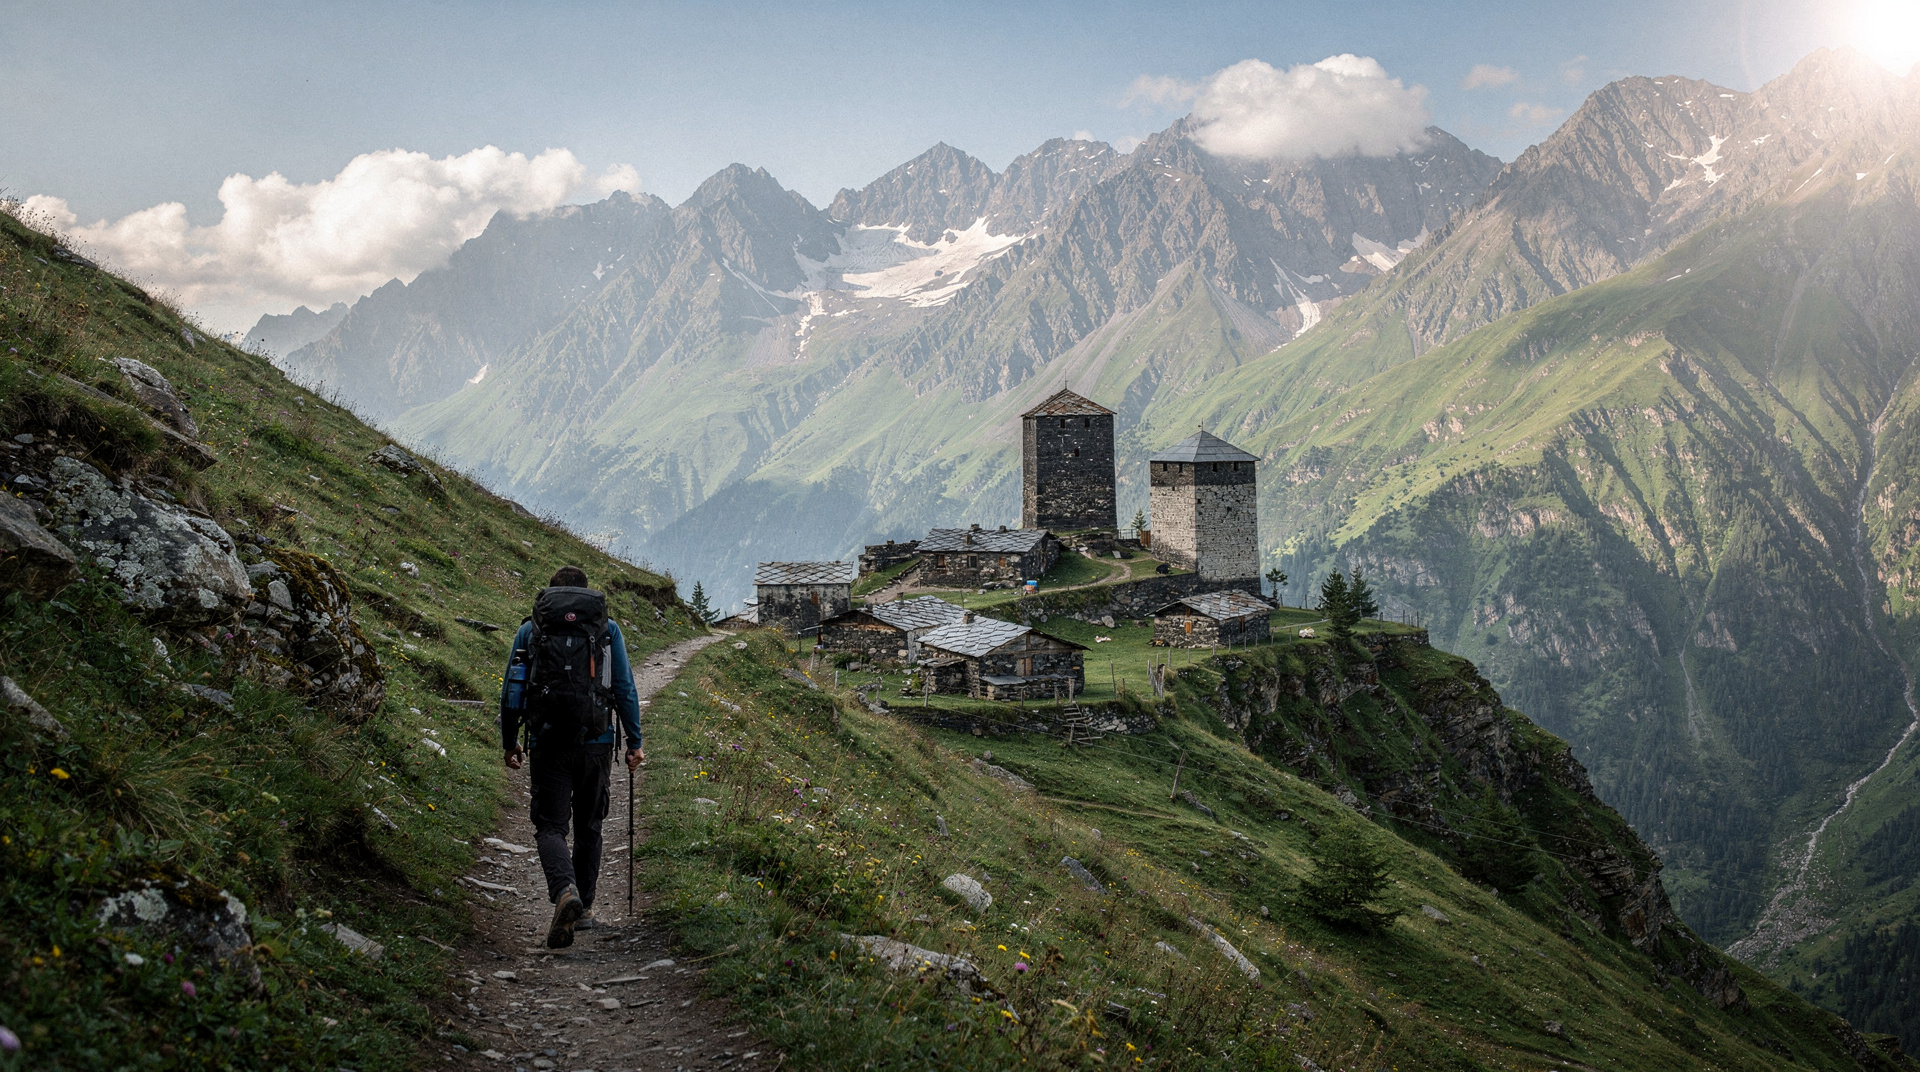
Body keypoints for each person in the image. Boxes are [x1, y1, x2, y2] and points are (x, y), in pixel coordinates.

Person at [500, 566, 644, 948]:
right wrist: (635, 740)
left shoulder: (531, 630)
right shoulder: (607, 631)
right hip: (596, 741)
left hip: (547, 743)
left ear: (550, 596)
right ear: (587, 595)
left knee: (550, 826)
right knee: (590, 824)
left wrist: (509, 740)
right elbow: (625, 688)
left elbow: (512, 690)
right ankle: (584, 909)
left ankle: (565, 890)